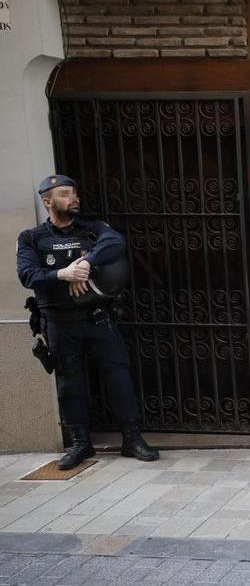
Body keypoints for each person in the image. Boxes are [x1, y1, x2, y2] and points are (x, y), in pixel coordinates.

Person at [16, 175, 159, 470]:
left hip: (97, 318)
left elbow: (116, 243)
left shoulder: (93, 230)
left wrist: (86, 263)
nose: (74, 198)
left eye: (74, 193)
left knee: (118, 376)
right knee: (70, 384)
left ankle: (132, 439)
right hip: (58, 322)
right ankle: (80, 444)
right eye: (66, 194)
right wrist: (61, 275)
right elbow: (27, 275)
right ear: (48, 202)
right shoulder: (31, 238)